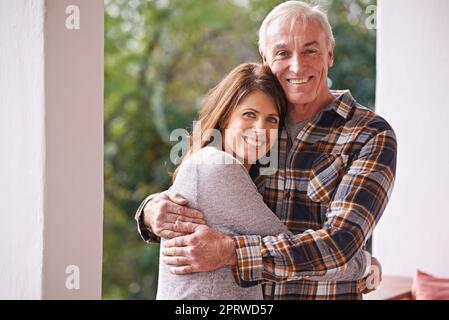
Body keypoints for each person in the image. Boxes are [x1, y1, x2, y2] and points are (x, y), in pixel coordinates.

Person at [136, 1, 396, 300]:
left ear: (330, 54)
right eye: (283, 52)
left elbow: (340, 244)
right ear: (266, 59)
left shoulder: (369, 134)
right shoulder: (252, 123)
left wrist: (230, 251)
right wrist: (151, 211)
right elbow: (201, 184)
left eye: (310, 50)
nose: (297, 65)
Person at [154, 63, 371, 300]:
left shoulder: (211, 164)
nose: (261, 129)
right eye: (249, 115)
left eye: (271, 119)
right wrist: (366, 265)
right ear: (226, 116)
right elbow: (300, 258)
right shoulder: (219, 169)